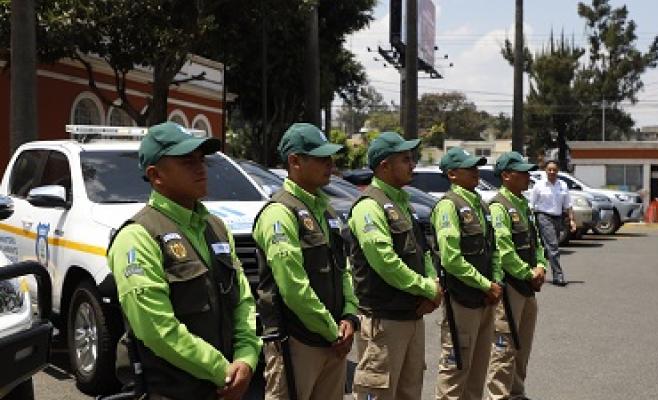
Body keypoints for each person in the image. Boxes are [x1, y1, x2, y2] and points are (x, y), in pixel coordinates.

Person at [107, 122, 261, 400]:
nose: (200, 167)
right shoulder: (138, 236)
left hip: (230, 385)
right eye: (187, 161)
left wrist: (247, 356)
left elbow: (242, 298)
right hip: (174, 391)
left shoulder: (216, 226)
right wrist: (222, 371)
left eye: (201, 159)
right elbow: (156, 328)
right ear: (156, 175)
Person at [252, 123, 360, 400]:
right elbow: (293, 287)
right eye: (321, 158)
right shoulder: (280, 213)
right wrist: (332, 331)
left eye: (330, 157)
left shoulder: (326, 209)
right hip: (296, 342)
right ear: (295, 161)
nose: (330, 164)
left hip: (332, 339)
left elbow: (343, 270)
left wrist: (349, 316)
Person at [348, 131, 443, 400]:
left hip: (411, 316)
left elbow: (423, 253)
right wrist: (426, 288)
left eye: (411, 158)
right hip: (384, 319)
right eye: (405, 159)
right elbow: (385, 262)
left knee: (409, 391)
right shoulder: (369, 206)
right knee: (378, 392)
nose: (412, 164)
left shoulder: (403, 203)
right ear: (384, 166)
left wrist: (433, 285)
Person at [432, 147, 503, 400]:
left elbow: (492, 248)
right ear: (452, 174)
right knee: (455, 371)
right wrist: (486, 285)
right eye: (469, 168)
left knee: (477, 374)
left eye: (476, 167)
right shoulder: (448, 206)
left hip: (485, 299)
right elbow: (451, 259)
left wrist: (495, 282)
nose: (476, 172)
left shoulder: (480, 204)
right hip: (461, 301)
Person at [484, 151, 548, 400]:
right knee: (504, 348)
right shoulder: (499, 206)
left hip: (528, 286)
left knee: (522, 346)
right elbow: (504, 250)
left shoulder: (523, 204)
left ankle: (516, 393)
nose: (527, 176)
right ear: (506, 176)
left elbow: (537, 242)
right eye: (522, 172)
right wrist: (527, 273)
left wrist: (541, 266)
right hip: (510, 287)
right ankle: (498, 396)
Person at [529, 160, 575, 286]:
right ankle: (558, 276)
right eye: (549, 169)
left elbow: (568, 205)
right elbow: (531, 204)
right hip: (543, 217)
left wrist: (571, 220)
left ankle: (536, 272)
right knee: (553, 246)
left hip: (558, 218)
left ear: (558, 171)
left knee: (546, 248)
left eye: (554, 170)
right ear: (545, 170)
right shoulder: (539, 185)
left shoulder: (563, 185)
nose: (552, 172)